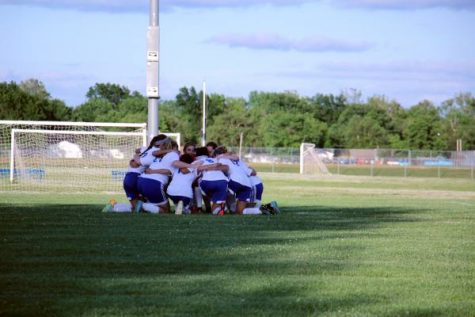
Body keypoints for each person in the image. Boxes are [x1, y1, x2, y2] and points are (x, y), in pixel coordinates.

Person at [196, 147, 229, 215]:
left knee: (199, 186)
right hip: (222, 181)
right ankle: (221, 207)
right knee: (217, 200)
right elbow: (226, 167)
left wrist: (209, 167)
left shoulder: (201, 160)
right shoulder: (217, 160)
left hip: (206, 182)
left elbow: (199, 168)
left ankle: (219, 208)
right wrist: (215, 167)